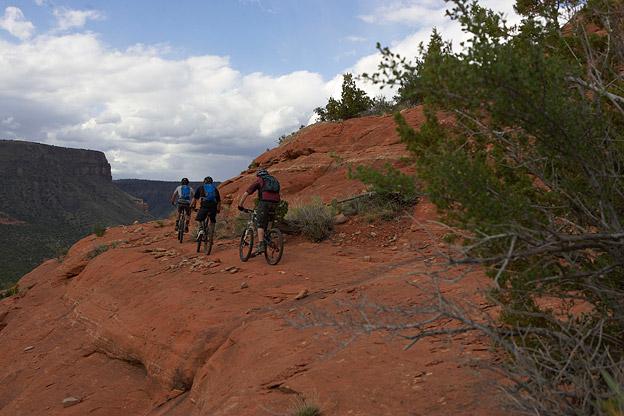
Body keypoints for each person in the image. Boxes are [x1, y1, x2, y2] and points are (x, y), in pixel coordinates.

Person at [238, 168, 280, 255]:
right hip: (276, 203)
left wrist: (240, 206)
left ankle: (261, 245)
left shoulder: (259, 181)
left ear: (259, 176)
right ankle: (269, 237)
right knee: (269, 220)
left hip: (264, 202)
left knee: (260, 222)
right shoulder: (273, 181)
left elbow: (246, 194)